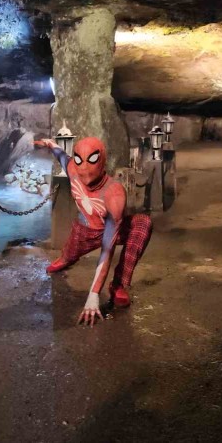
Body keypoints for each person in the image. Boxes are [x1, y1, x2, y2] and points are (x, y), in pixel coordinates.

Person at [35, 136, 152, 327]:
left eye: (91, 161)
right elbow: (61, 155)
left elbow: (108, 248)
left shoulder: (114, 193)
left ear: (102, 161)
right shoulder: (73, 170)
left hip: (110, 231)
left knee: (143, 223)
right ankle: (66, 258)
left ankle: (118, 284)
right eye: (79, 161)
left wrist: (94, 293)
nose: (84, 170)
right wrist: (49, 143)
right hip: (84, 231)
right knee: (69, 254)